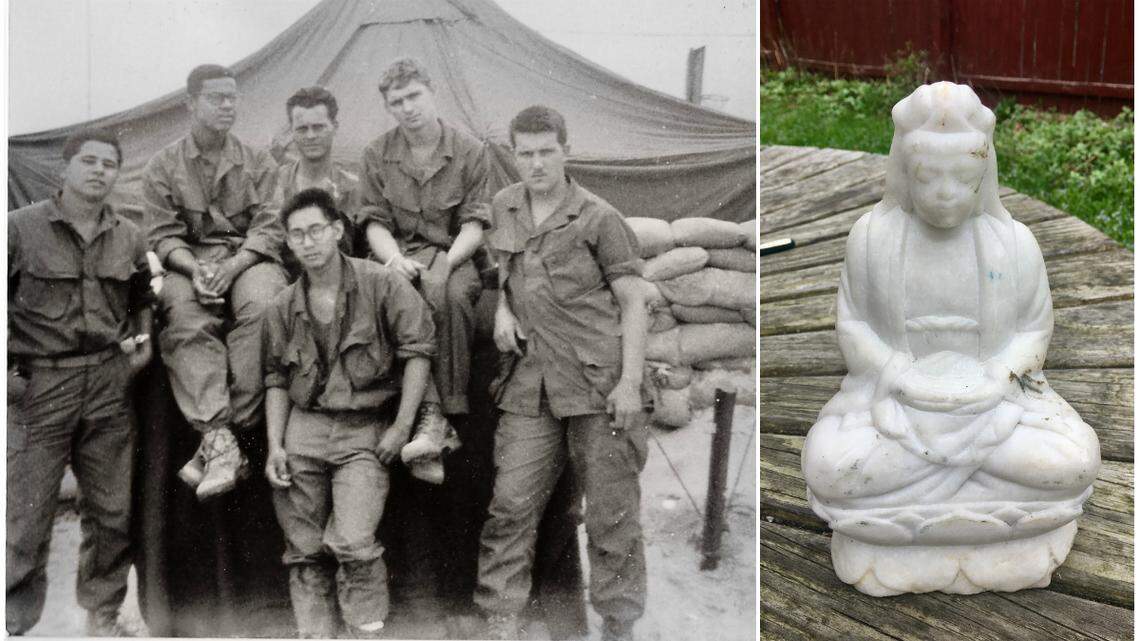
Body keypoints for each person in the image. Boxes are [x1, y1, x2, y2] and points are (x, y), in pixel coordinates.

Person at [801, 83, 1100, 594]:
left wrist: (996, 377)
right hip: (896, 407)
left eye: (962, 178)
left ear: (983, 176)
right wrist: (901, 376)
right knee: (830, 467)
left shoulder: (1013, 243)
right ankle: (976, 500)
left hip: (996, 407)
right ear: (904, 174)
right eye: (928, 177)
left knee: (1073, 462)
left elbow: (1033, 332)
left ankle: (925, 507)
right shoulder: (872, 240)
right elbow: (853, 327)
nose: (945, 193)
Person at [476, 106, 650, 641]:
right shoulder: (504, 207)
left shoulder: (599, 218)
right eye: (524, 153)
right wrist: (503, 309)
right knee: (510, 506)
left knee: (610, 514)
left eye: (546, 151)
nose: (535, 163)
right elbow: (503, 273)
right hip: (530, 386)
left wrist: (629, 384)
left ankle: (618, 625)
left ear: (566, 150)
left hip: (597, 386)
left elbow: (634, 303)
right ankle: (500, 620)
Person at [262, 188, 436, 637]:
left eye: (316, 230)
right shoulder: (282, 306)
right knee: (303, 550)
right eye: (296, 234)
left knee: (355, 543)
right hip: (303, 431)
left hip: (364, 429)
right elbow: (277, 380)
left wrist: (401, 427)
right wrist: (274, 446)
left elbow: (418, 351)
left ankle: (365, 630)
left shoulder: (380, 283)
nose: (308, 242)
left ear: (338, 230)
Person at [7, 128, 154, 636]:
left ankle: (103, 616)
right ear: (64, 169)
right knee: (25, 518)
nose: (99, 171)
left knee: (111, 512)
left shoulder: (130, 235)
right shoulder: (19, 229)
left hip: (108, 383)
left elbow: (141, 299)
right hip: (39, 383)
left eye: (109, 163)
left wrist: (143, 342)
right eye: (88, 161)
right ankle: (13, 622)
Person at [143, 63, 288, 500]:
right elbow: (163, 233)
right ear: (191, 103)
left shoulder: (258, 160)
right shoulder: (163, 165)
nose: (228, 106)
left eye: (233, 97)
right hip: (190, 262)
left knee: (265, 307)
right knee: (185, 318)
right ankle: (221, 440)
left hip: (248, 258)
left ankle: (221, 434)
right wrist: (194, 269)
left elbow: (269, 226)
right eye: (216, 98)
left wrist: (234, 265)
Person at [359, 57, 488, 475]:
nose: (407, 107)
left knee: (448, 295)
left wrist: (446, 264)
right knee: (387, 298)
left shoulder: (470, 151)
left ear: (433, 93)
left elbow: (474, 225)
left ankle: (443, 411)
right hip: (397, 254)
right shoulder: (377, 154)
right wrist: (393, 259)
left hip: (454, 252)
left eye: (414, 96)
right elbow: (374, 222)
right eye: (397, 101)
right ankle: (428, 415)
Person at [271, 86, 360, 277]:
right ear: (292, 132)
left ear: (334, 127)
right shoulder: (275, 184)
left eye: (318, 127)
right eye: (302, 129)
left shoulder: (353, 187)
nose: (311, 136)